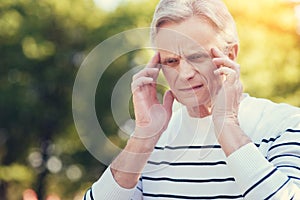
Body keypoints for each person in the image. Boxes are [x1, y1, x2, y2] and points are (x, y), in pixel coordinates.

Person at [84, 0, 300, 199]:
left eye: (197, 56)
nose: (185, 73)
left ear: (230, 56)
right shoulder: (151, 146)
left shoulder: (285, 124)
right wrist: (143, 136)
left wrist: (226, 124)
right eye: (171, 61)